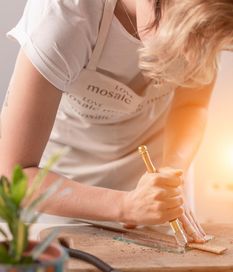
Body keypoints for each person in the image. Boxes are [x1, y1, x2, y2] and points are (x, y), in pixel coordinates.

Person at [0, 0, 232, 242]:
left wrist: (171, 176)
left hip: (154, 187)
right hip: (59, 192)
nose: (189, 57)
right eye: (185, 35)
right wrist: (126, 205)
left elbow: (190, 105)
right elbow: (12, 176)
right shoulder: (62, 16)